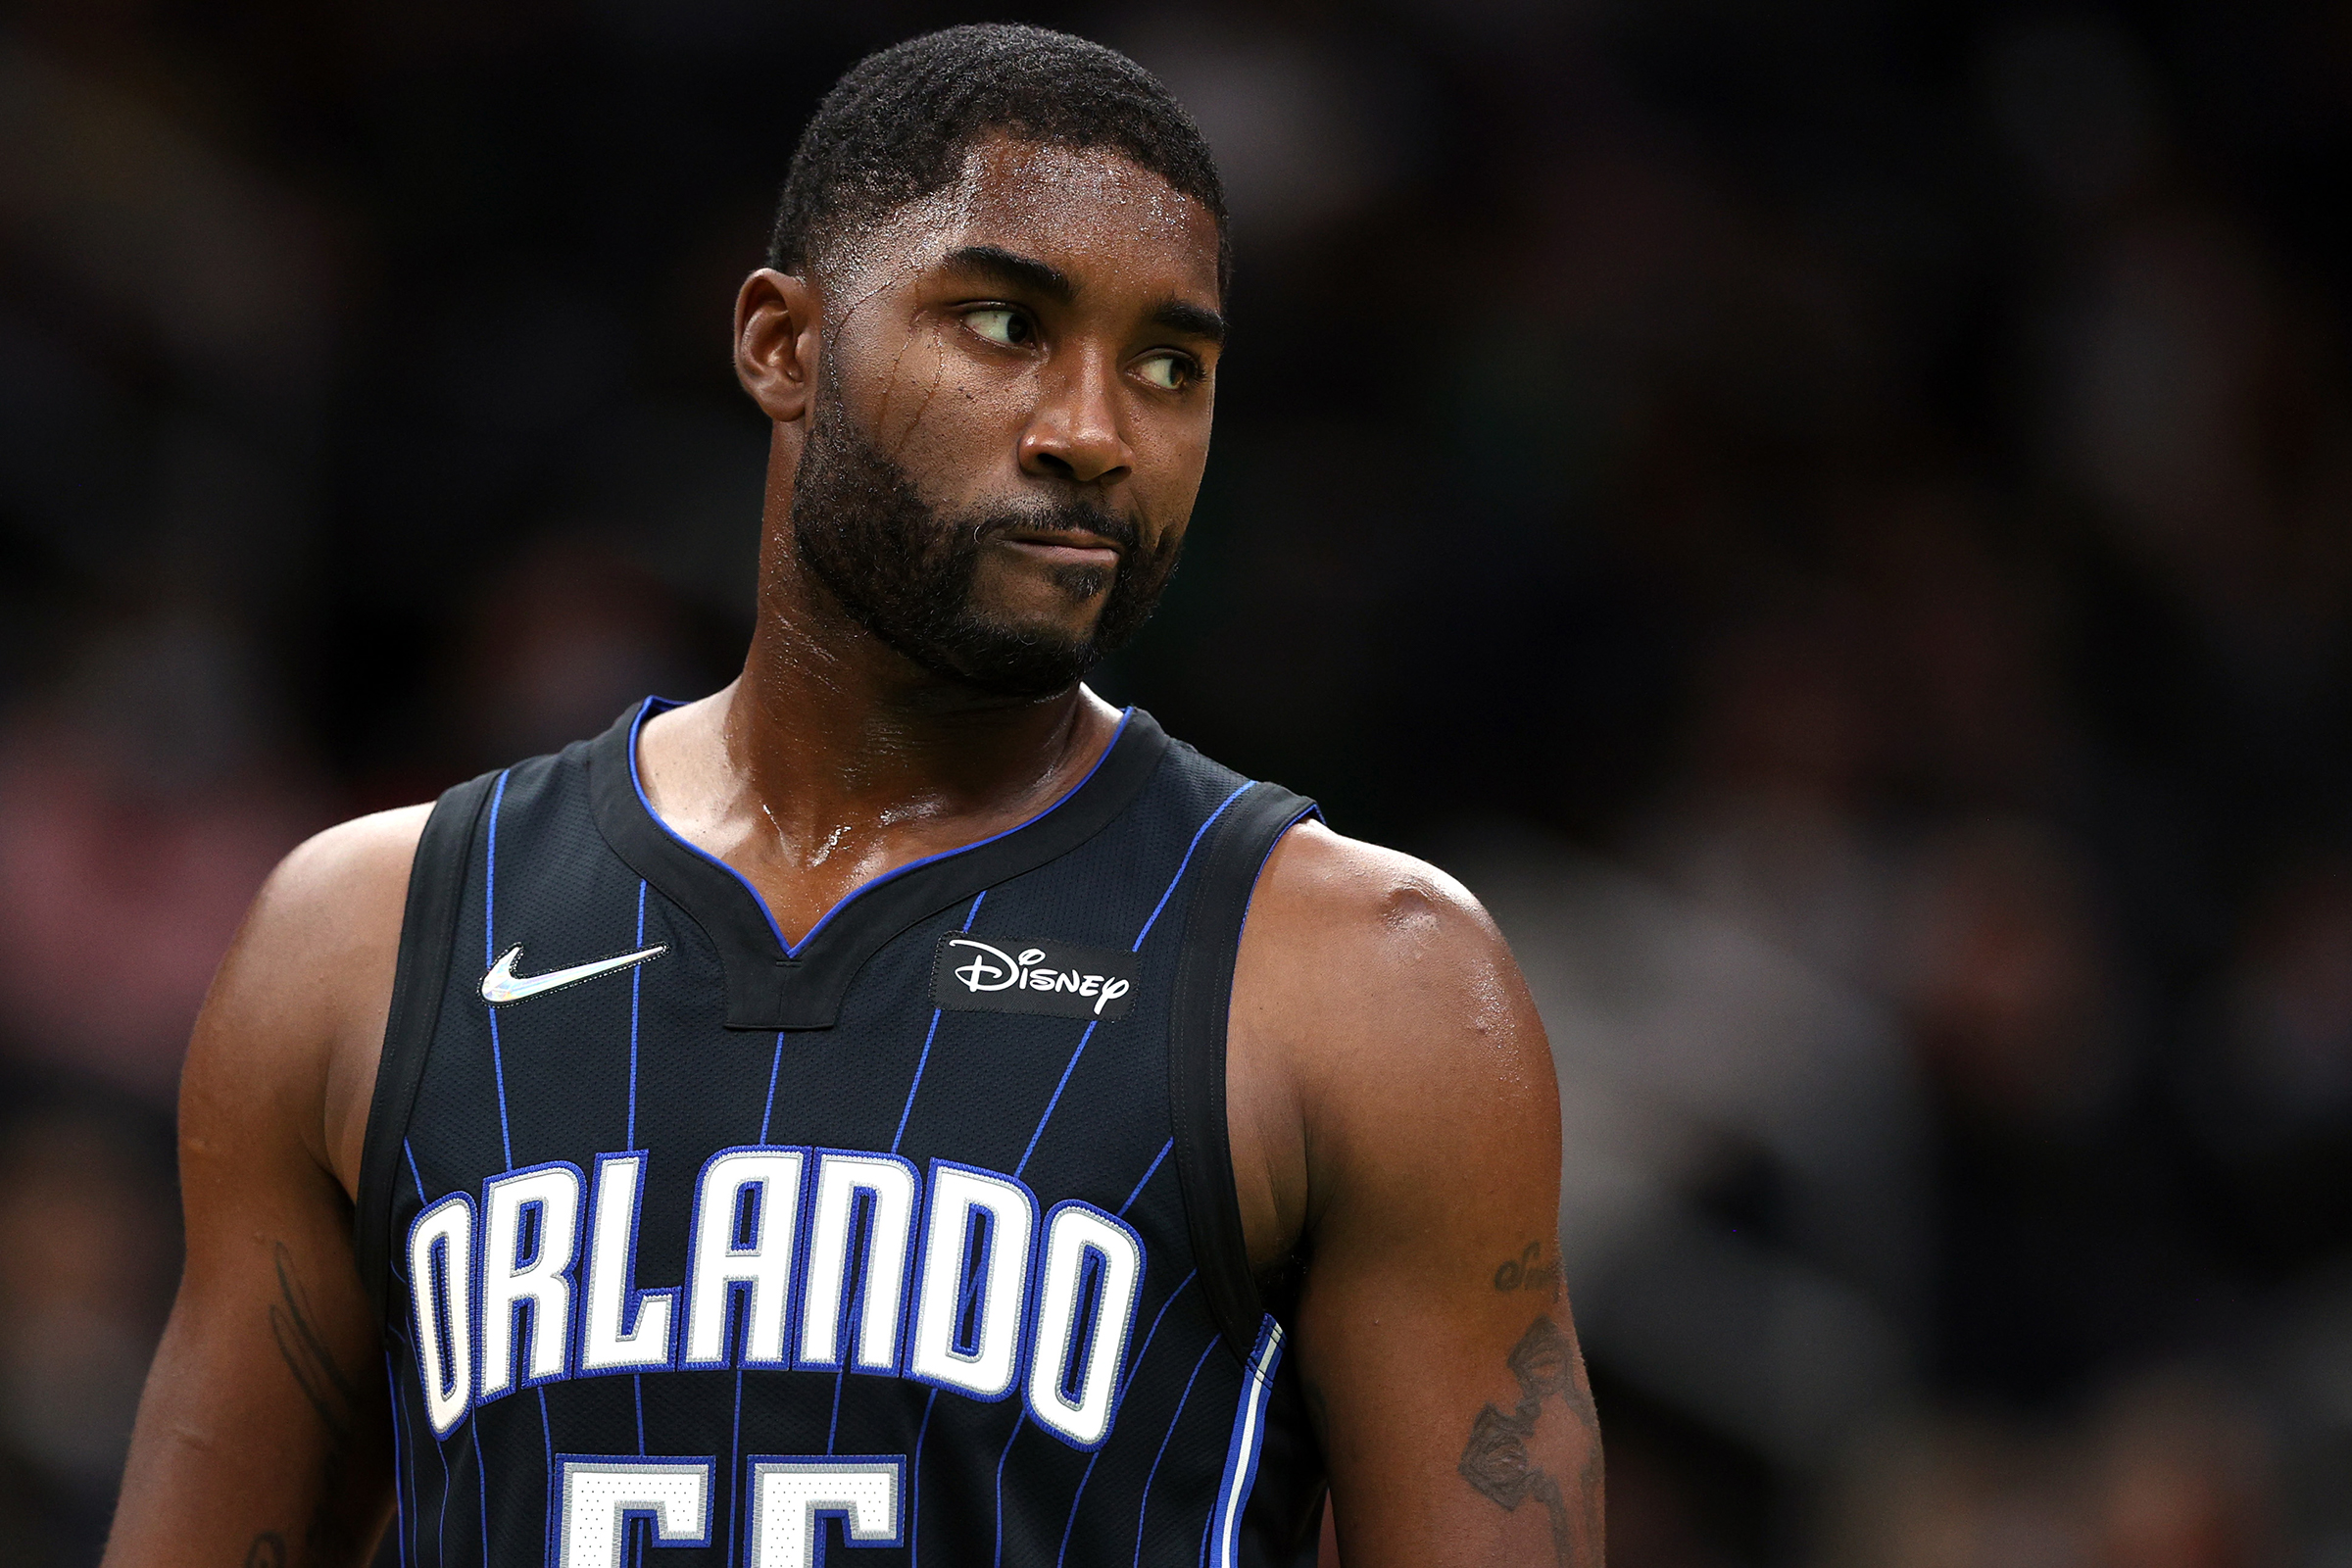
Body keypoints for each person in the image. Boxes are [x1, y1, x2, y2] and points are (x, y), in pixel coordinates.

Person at [101, 25, 1599, 1568]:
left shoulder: (1378, 986)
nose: (1095, 432)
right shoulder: (363, 939)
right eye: (1008, 323)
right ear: (782, 345)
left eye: (1171, 366)